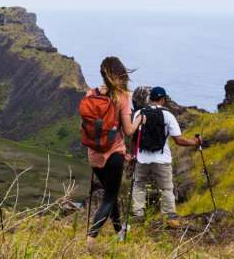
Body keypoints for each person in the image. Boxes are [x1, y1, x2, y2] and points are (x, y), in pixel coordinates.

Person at [85, 56, 144, 245]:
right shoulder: (122, 96)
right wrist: (139, 121)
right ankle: (90, 239)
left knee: (111, 191)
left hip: (94, 154)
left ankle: (119, 230)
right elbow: (128, 130)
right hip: (114, 152)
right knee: (110, 196)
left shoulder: (90, 94)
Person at [130, 86, 202, 228]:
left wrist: (134, 155)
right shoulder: (168, 116)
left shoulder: (139, 112)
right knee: (166, 189)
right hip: (162, 159)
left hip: (142, 158)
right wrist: (195, 142)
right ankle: (170, 218)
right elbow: (179, 140)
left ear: (150, 98)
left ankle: (138, 214)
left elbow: (134, 137)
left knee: (139, 185)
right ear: (162, 99)